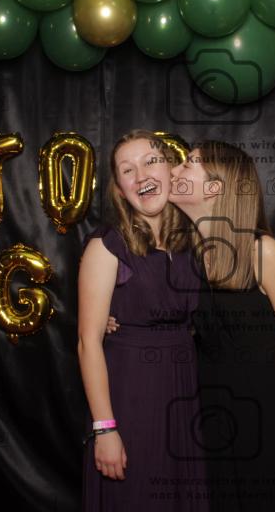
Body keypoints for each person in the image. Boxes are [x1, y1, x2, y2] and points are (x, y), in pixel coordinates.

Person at [108, 140, 275, 511]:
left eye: (188, 164)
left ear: (214, 187)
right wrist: (114, 321)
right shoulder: (185, 257)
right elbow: (162, 316)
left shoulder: (261, 251)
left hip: (266, 412)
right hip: (209, 415)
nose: (174, 170)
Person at [77, 130, 209, 511]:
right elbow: (87, 342)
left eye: (151, 161)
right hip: (131, 393)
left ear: (170, 170)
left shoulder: (195, 240)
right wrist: (105, 429)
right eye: (127, 169)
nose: (142, 175)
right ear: (120, 191)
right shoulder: (106, 246)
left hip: (185, 394)